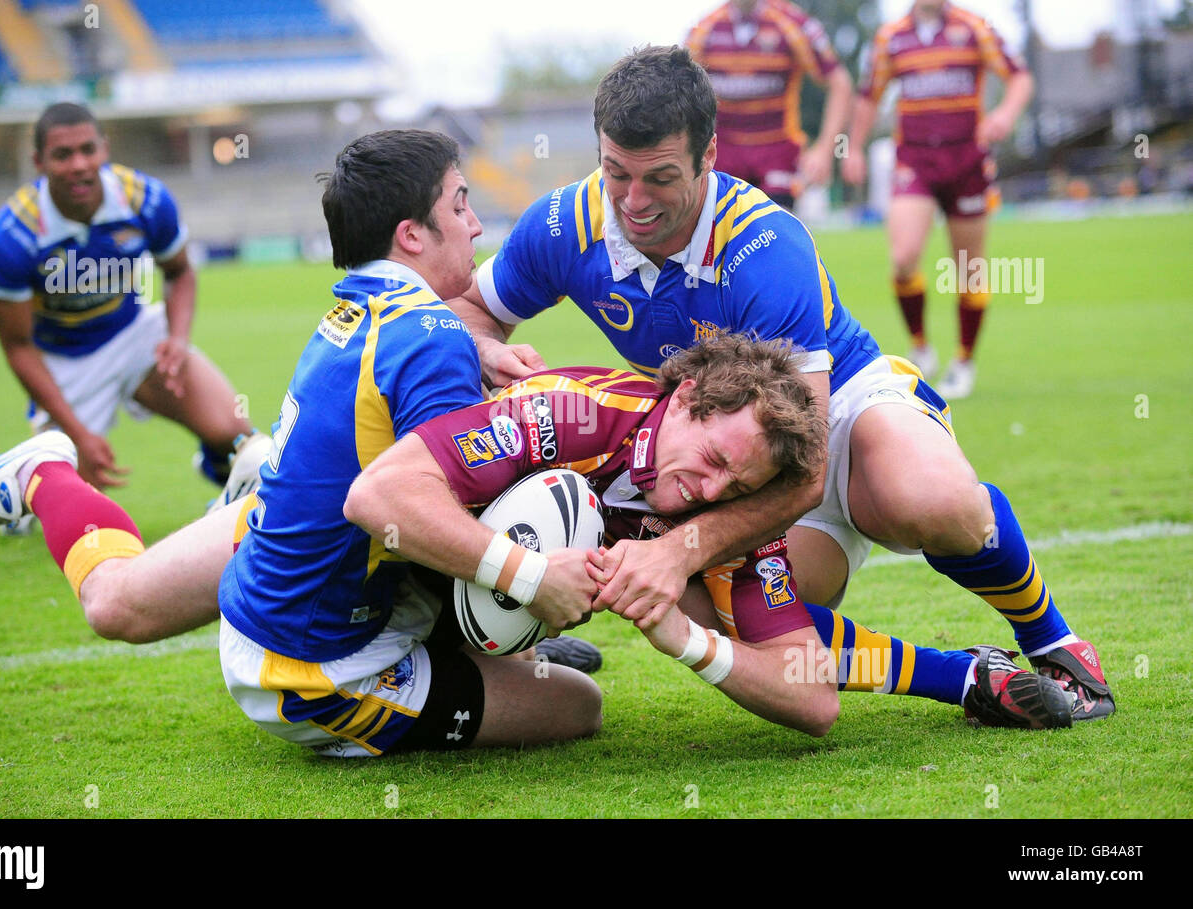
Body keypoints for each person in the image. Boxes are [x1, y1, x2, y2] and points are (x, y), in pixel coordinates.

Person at [448, 45, 1113, 722]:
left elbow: (806, 464)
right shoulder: (566, 223)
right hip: (731, 450)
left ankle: (1053, 639)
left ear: (710, 156)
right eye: (616, 172)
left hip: (838, 413)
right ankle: (971, 677)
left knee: (929, 502)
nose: (633, 201)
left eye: (660, 178)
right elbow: (469, 312)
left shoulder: (764, 248)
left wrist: (683, 548)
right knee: (738, 615)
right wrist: (482, 350)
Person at [0, 129, 601, 758]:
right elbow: (423, 517)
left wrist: (471, 351)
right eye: (460, 206)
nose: (477, 223)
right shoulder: (431, 340)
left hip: (272, 561)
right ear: (411, 234)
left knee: (114, 601)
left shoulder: (355, 305)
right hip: (312, 669)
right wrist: (536, 585)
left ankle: (44, 474)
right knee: (577, 704)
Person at [348, 334, 1074, 734]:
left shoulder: (727, 515)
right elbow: (378, 494)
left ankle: (967, 673)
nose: (712, 492)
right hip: (384, 565)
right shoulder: (567, 416)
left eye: (739, 488)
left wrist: (685, 639)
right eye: (718, 459)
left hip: (474, 599)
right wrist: (530, 578)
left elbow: (814, 701)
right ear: (687, 397)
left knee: (661, 644)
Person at [0, 102, 252, 492]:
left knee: (238, 435)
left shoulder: (146, 199)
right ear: (38, 161)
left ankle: (219, 476)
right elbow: (18, 346)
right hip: (65, 363)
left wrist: (177, 338)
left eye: (88, 150)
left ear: (104, 149)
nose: (78, 165)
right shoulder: (10, 236)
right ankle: (17, 492)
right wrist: (77, 433)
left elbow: (179, 271)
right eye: (62, 155)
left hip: (135, 333)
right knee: (77, 494)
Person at [841, 0, 1033, 399]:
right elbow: (868, 96)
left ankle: (963, 362)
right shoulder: (890, 38)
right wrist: (855, 148)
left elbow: (1019, 78)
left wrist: (1006, 115)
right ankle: (921, 348)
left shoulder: (975, 27)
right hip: (915, 161)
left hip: (968, 163)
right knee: (904, 258)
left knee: (969, 268)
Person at [686, 0, 853, 211]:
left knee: (773, 233)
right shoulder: (705, 28)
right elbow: (680, 90)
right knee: (721, 237)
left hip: (777, 153)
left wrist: (827, 149)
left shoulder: (793, 23)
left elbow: (840, 83)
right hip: (722, 153)